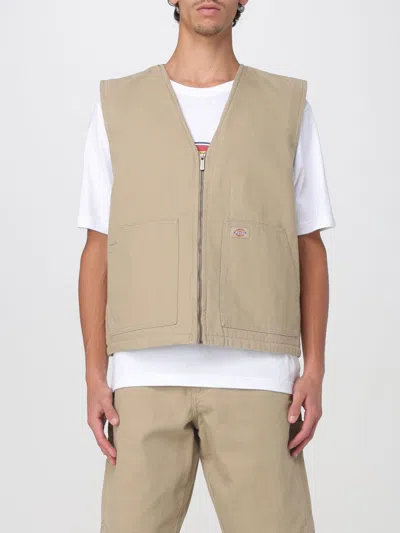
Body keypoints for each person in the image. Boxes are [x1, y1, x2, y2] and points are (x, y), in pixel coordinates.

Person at [77, 1, 335, 531]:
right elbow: (97, 249)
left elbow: (309, 245)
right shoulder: (118, 106)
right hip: (144, 378)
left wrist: (314, 369)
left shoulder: (287, 107)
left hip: (259, 378)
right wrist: (94, 373)